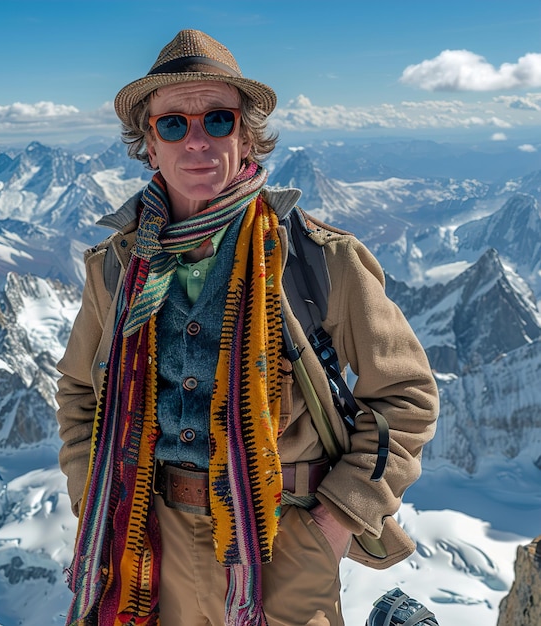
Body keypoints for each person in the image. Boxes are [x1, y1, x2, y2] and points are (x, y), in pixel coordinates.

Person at [55, 29, 439, 626]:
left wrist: (332, 526)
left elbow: (406, 396)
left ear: (246, 135)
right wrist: (98, 502)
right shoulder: (115, 269)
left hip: (284, 540)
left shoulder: (315, 258)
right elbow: (80, 393)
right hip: (147, 545)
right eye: (173, 125)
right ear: (149, 145)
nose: (197, 141)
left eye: (218, 119)